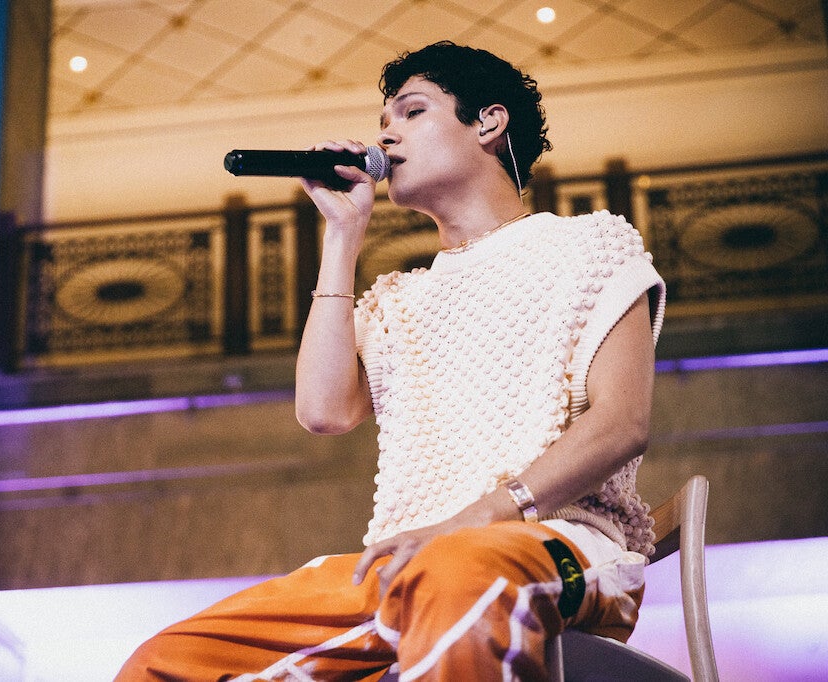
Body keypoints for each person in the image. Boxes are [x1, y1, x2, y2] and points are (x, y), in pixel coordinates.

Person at [117, 40, 665, 681]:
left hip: (559, 544)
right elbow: (322, 411)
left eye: (412, 111)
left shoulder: (591, 244)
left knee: (457, 575)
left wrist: (471, 522)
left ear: (489, 122)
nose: (386, 135)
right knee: (166, 662)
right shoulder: (398, 298)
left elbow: (622, 424)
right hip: (403, 564)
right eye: (383, 122)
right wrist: (342, 235)